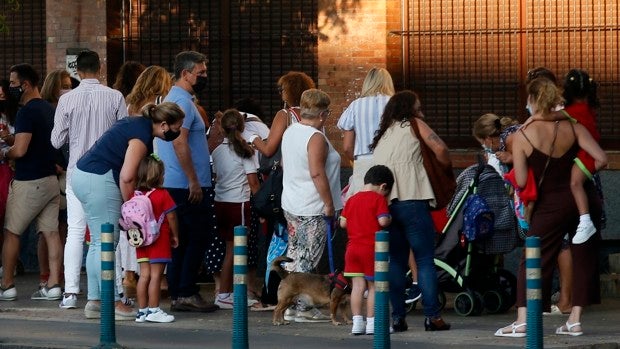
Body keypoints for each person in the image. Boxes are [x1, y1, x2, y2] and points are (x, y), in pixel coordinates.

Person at [494, 77, 607, 337]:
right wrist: (578, 176)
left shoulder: (523, 135)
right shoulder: (574, 127)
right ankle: (575, 320)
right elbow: (601, 158)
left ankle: (524, 319)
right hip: (584, 202)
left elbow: (522, 181)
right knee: (584, 258)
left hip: (550, 204)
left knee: (533, 257)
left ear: (532, 100)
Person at [71, 102, 184, 320]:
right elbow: (127, 176)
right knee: (105, 243)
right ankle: (113, 301)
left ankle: (96, 301)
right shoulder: (141, 135)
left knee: (98, 242)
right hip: (101, 179)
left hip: (85, 175)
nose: (178, 132)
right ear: (163, 125)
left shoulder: (137, 124)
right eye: (177, 127)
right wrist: (131, 209)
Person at [51, 50, 127, 310]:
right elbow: (124, 135)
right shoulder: (115, 96)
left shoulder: (66, 100)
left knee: (74, 231)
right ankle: (115, 288)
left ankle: (71, 292)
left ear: (77, 71)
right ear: (100, 67)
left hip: (76, 173)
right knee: (107, 233)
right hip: (107, 173)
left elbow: (56, 140)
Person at [369, 90, 451, 332]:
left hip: (388, 205)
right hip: (414, 199)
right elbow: (441, 149)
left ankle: (398, 318)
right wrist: (442, 168)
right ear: (409, 108)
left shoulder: (384, 134)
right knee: (424, 259)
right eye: (418, 106)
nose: (420, 110)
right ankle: (432, 316)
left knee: (395, 261)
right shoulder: (415, 124)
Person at [155, 51, 218, 313]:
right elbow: (179, 141)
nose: (204, 76)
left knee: (183, 238)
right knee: (197, 237)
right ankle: (186, 291)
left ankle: (181, 292)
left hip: (176, 182)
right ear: (185, 73)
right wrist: (193, 180)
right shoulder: (181, 102)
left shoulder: (178, 100)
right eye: (200, 73)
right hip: (185, 185)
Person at [279, 88, 343, 322]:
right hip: (312, 205)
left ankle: (290, 304)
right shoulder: (315, 137)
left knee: (296, 255)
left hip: (292, 201)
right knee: (308, 258)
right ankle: (302, 308)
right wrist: (328, 203)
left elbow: (286, 164)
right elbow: (317, 173)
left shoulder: (290, 131)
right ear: (323, 114)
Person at [0, 63, 61, 302]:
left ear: (25, 85)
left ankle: (7, 285)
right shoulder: (48, 108)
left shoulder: (26, 112)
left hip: (28, 181)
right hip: (50, 180)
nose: (10, 88)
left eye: (13, 83)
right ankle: (54, 284)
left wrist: (5, 153)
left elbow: (21, 150)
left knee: (12, 232)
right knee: (51, 233)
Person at [122, 65, 173, 300]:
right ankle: (158, 277)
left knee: (134, 221)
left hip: (130, 163)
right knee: (152, 218)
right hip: (146, 163)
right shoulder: (155, 107)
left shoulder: (128, 103)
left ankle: (129, 274)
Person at [211, 109, 260, 309]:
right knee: (236, 251)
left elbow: (216, 177)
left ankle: (228, 292)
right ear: (242, 127)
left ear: (222, 129)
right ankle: (226, 293)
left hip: (220, 202)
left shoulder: (216, 151)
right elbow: (253, 183)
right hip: (239, 203)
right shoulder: (245, 152)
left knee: (229, 249)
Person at [340, 164, 394, 335]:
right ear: (383, 186)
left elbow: (343, 223)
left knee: (357, 287)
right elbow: (383, 222)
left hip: (352, 249)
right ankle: (372, 322)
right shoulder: (378, 199)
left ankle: (357, 322)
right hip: (371, 249)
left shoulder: (351, 199)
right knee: (374, 287)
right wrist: (390, 217)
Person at [38, 69, 73, 291]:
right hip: (52, 175)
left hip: (67, 174)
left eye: (70, 85)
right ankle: (46, 276)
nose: (68, 89)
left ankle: (58, 275)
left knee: (62, 229)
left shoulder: (67, 107)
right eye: (64, 85)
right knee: (46, 229)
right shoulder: (46, 111)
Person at [134, 154, 179, 323]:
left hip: (141, 241)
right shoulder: (163, 194)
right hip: (158, 240)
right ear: (158, 175)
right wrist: (175, 235)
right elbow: (172, 217)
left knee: (144, 275)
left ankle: (142, 311)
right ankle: (154, 309)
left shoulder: (136, 194)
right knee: (156, 276)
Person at [337, 67, 395, 198]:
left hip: (363, 161)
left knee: (363, 205)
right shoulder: (395, 103)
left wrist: (356, 161)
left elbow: (347, 147)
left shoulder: (355, 105)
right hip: (391, 160)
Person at [561, 69, 601, 245]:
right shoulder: (588, 108)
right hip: (589, 152)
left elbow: (552, 116)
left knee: (575, 183)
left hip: (586, 154)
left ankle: (585, 220)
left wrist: (533, 119)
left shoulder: (572, 111)